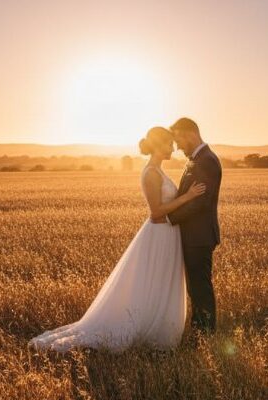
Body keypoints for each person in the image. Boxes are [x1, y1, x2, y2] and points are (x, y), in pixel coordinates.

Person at [29, 126, 206, 352]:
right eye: (169, 144)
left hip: (168, 235)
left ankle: (159, 326)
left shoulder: (158, 170)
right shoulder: (150, 172)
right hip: (159, 235)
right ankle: (144, 328)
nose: (172, 148)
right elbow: (156, 212)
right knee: (151, 284)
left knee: (158, 284)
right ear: (159, 145)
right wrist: (188, 197)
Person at [159, 117, 222, 334]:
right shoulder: (197, 159)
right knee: (195, 287)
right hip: (194, 235)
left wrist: (169, 218)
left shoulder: (207, 161)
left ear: (190, 134)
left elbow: (199, 201)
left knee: (200, 288)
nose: (177, 147)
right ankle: (199, 329)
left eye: (178, 140)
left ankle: (205, 334)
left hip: (199, 236)